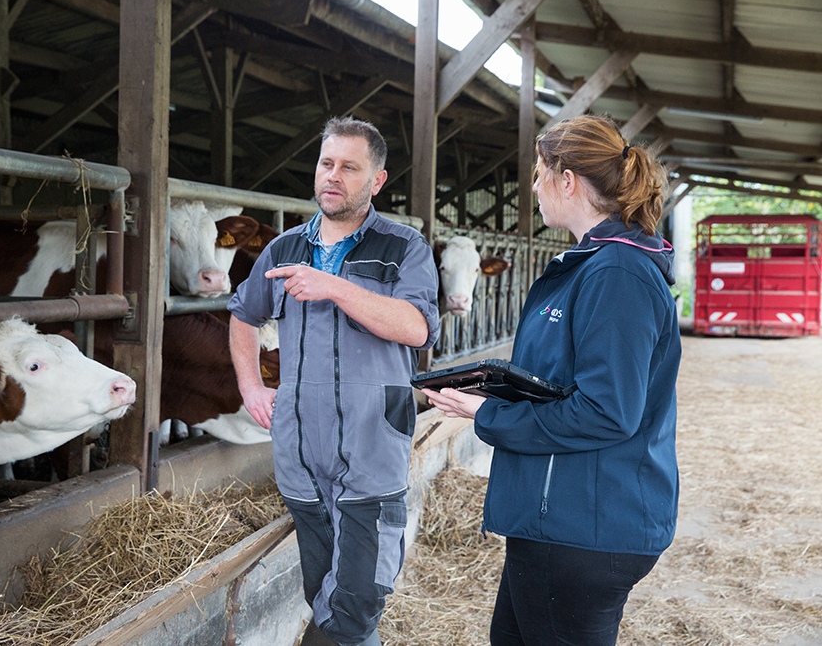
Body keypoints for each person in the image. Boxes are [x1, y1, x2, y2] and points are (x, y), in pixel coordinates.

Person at [423, 114, 681, 646]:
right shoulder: (595, 265)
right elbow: (566, 383)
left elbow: (607, 410)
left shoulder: (616, 274)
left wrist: (486, 412)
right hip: (562, 517)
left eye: (540, 172)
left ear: (569, 180)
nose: (534, 186)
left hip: (582, 524)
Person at [228, 116, 441, 646]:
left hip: (371, 446)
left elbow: (416, 328)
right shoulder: (282, 249)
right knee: (322, 590)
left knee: (357, 598)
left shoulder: (403, 247)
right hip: (301, 452)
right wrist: (252, 387)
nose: (333, 176)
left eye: (350, 167)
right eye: (327, 163)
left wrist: (336, 288)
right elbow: (243, 315)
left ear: (377, 181)